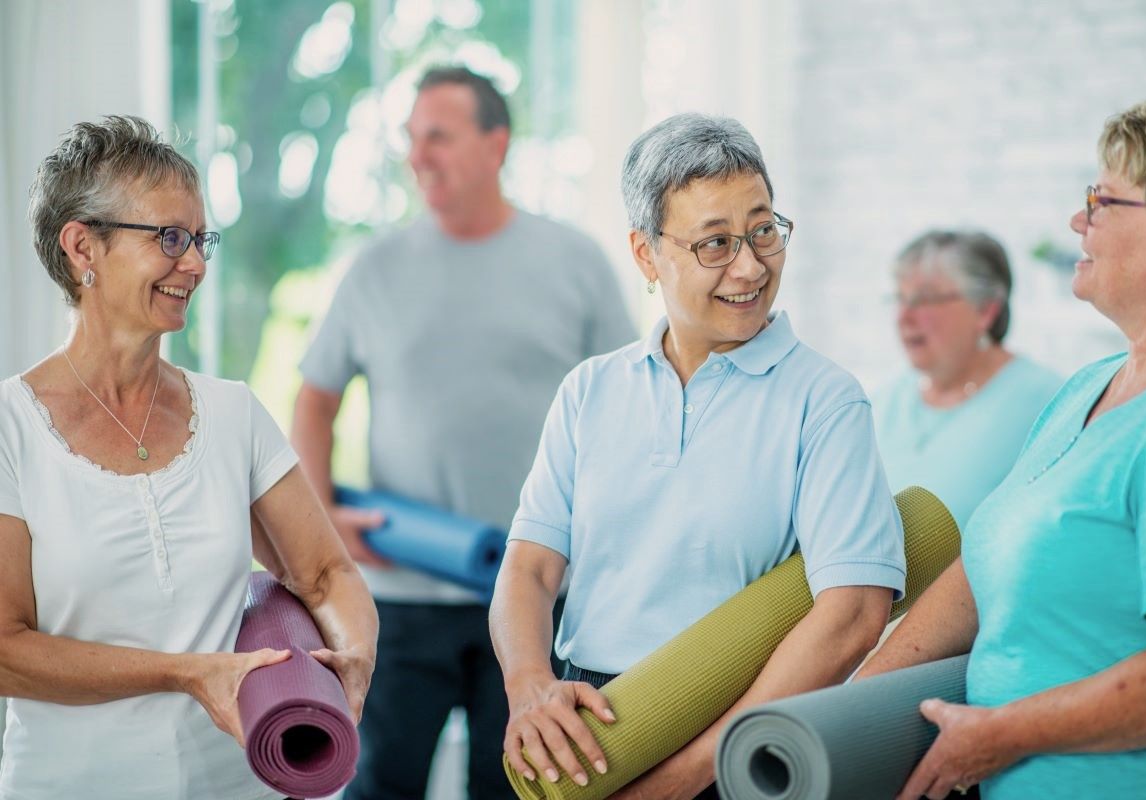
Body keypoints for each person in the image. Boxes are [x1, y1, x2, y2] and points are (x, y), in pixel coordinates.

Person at [490, 113, 906, 800]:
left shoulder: (826, 401)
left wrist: (688, 776)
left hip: (741, 728)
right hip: (592, 726)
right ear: (647, 254)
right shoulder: (589, 390)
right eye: (715, 243)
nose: (750, 267)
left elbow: (854, 613)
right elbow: (530, 568)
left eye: (764, 230)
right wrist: (529, 685)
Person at [0, 116, 377, 799]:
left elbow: (324, 575)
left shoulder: (232, 413)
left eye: (202, 239)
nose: (196, 264)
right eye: (170, 238)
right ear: (83, 246)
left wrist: (354, 656)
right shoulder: (9, 428)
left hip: (239, 783)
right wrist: (184, 671)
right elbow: (5, 648)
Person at [293, 66, 635, 800]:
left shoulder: (574, 261)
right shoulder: (375, 268)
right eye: (412, 140)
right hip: (402, 597)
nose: (419, 156)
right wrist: (320, 518)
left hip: (539, 590)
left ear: (495, 144)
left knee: (519, 784)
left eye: (439, 137)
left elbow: (628, 405)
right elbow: (315, 398)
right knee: (378, 782)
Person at [856, 92, 1146, 800]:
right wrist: (848, 708)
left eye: (1102, 202)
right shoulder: (1087, 387)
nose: (1078, 220)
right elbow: (976, 579)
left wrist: (1000, 734)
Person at [872, 230, 1061, 528]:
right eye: (900, 298)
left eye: (924, 299)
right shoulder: (881, 402)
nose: (903, 317)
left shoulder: (1050, 403)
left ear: (985, 310)